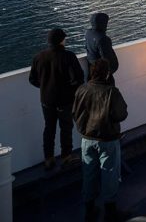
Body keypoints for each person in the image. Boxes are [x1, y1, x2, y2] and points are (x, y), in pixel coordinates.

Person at [73, 59, 128, 222]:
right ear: (107, 74)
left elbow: (75, 112)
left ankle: (89, 210)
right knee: (109, 174)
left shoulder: (81, 89)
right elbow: (121, 114)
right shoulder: (111, 92)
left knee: (88, 173)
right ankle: (110, 212)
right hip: (107, 139)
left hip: (87, 139)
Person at [29, 27, 84, 170]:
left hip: (46, 100)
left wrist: (45, 87)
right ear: (61, 41)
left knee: (49, 128)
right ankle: (66, 156)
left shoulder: (38, 57)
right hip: (65, 100)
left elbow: (32, 79)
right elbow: (78, 78)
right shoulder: (68, 56)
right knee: (66, 127)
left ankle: (49, 158)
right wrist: (72, 91)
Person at [85, 13, 118, 81]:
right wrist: (110, 71)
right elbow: (106, 58)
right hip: (102, 75)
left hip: (92, 70)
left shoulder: (88, 33)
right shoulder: (103, 39)